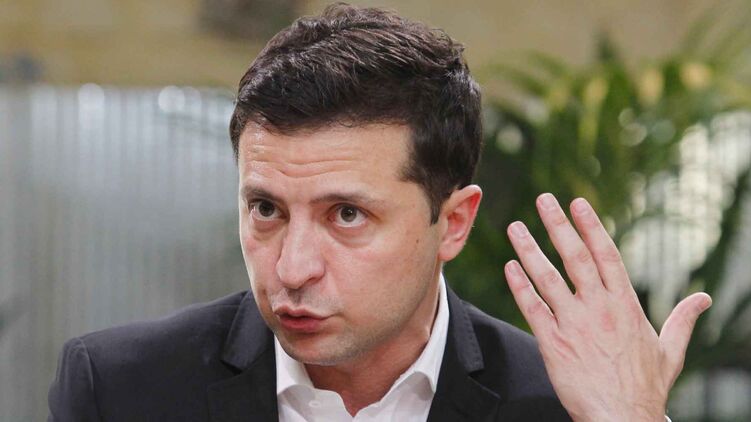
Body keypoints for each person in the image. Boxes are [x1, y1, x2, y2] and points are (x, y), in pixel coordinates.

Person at [48, 3, 712, 421]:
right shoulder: (120, 390)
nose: (293, 269)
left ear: (453, 223)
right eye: (266, 208)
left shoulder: (565, 405)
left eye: (346, 215)